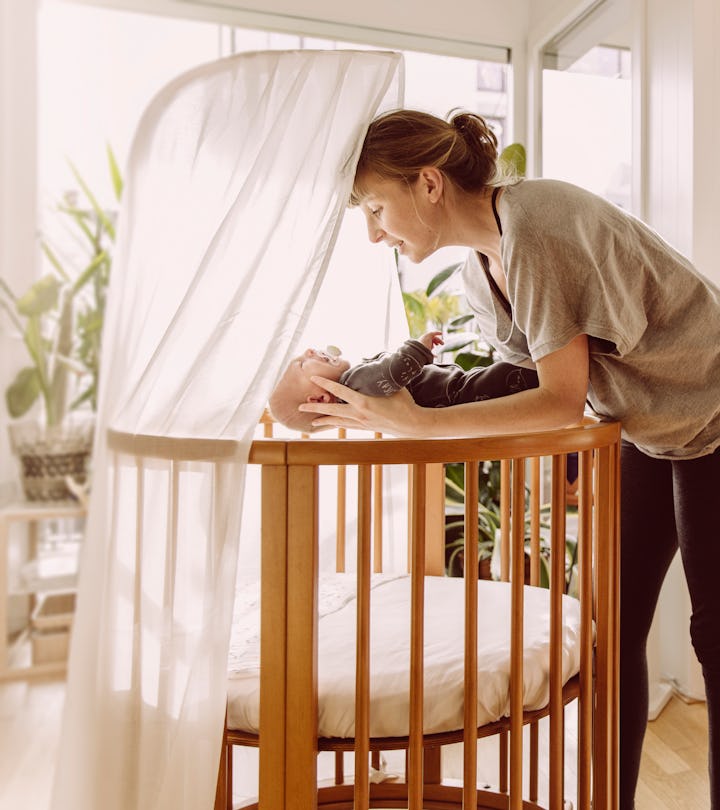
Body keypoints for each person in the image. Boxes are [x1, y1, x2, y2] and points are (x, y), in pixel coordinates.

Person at [298, 108, 720, 809]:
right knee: (609, 633)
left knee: (714, 637)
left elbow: (558, 400)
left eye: (376, 207)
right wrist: (374, 388)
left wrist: (415, 428)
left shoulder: (537, 224)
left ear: (428, 183)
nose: (374, 232)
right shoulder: (480, 273)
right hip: (653, 427)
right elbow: (518, 380)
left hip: (715, 411)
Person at [268, 330, 539, 433]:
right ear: (319, 400)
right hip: (461, 393)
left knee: (507, 376)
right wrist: (417, 348)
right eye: (302, 363)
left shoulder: (361, 398)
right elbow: (391, 371)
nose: (310, 351)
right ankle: (542, 370)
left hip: (459, 393)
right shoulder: (356, 384)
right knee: (512, 376)